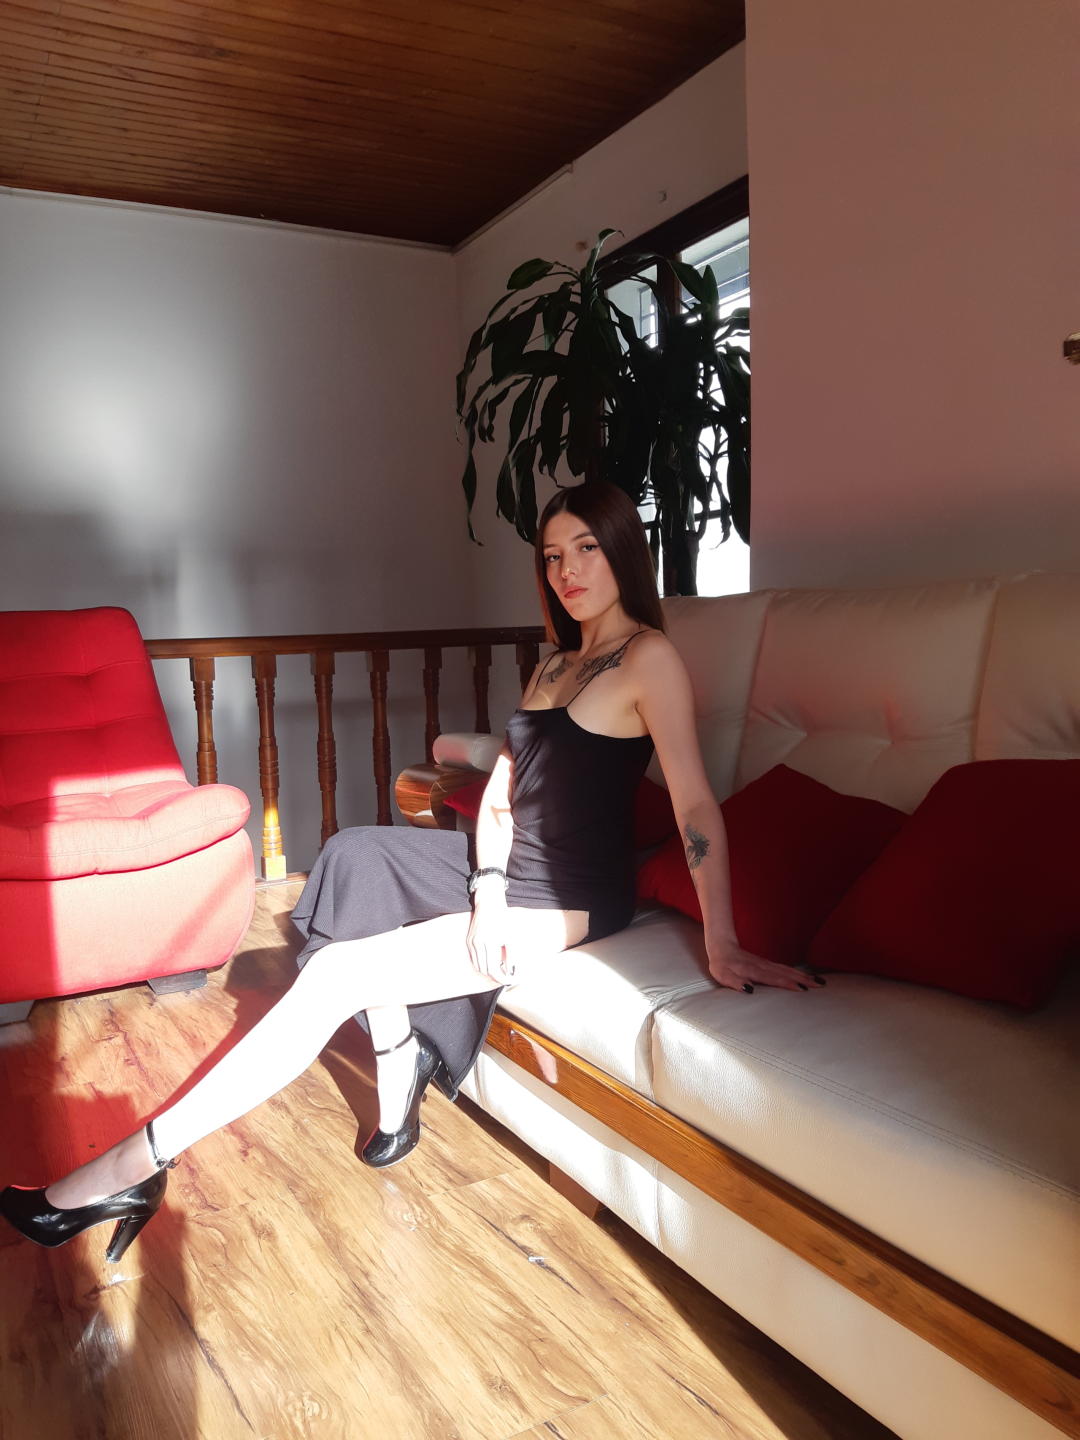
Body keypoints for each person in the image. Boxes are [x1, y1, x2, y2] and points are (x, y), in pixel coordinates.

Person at [0, 481, 822, 1263]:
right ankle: (399, 1066)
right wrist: (486, 889)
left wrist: (722, 942)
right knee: (356, 856)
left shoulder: (650, 659)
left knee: (336, 974)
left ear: (621, 553)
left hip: (571, 892)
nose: (566, 571)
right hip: (513, 869)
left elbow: (693, 805)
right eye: (551, 556)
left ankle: (132, 1166)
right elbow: (504, 794)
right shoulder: (555, 663)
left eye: (585, 549)